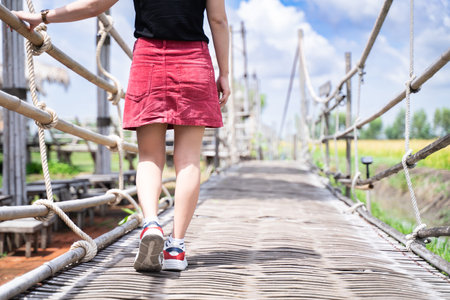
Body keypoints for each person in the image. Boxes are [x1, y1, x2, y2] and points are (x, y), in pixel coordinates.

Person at [13, 0, 230, 272]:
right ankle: (176, 248)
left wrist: (43, 17)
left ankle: (151, 223)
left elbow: (94, 6)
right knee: (188, 160)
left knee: (150, 157)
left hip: (150, 59)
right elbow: (219, 21)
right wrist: (225, 72)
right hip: (194, 61)